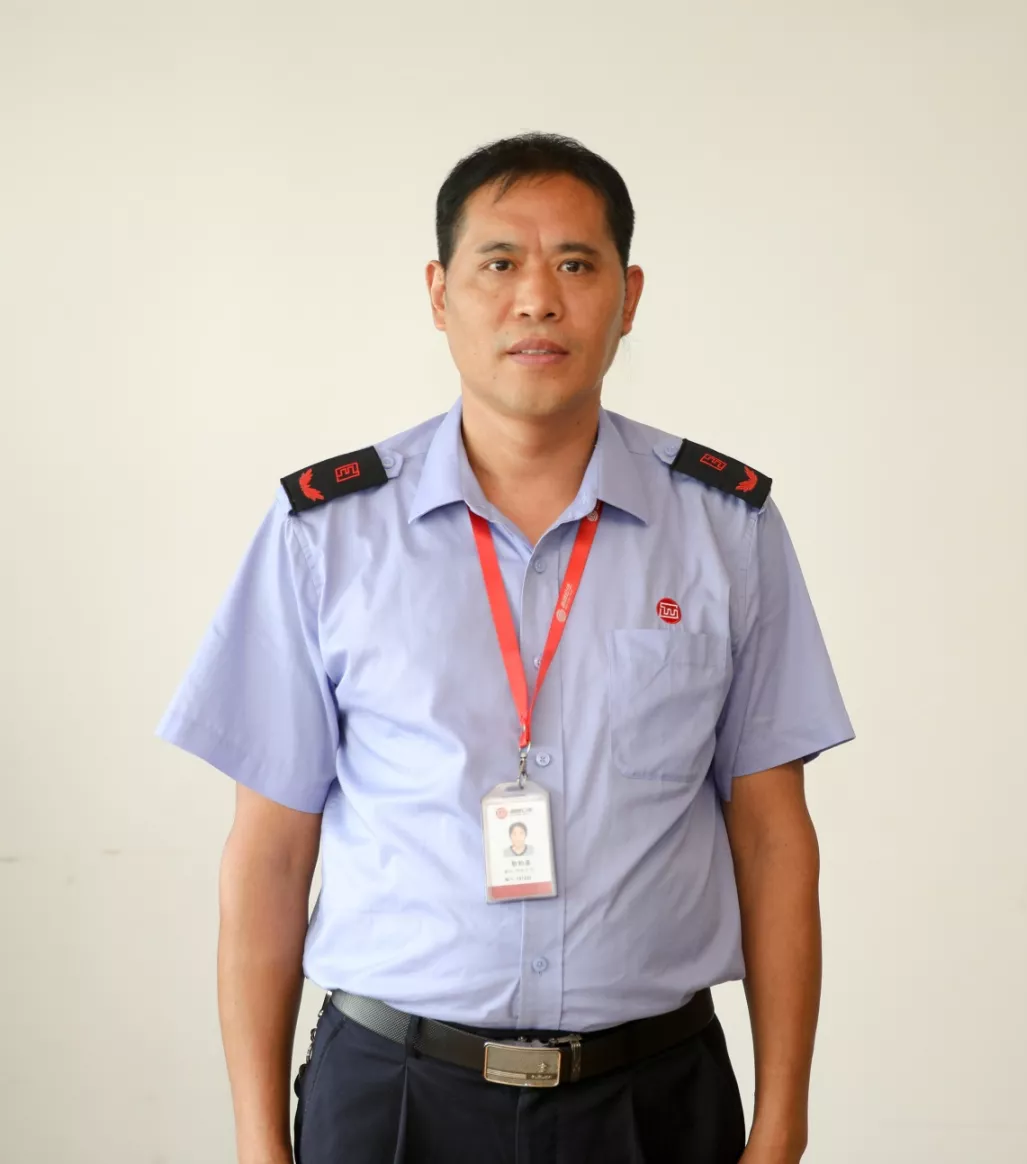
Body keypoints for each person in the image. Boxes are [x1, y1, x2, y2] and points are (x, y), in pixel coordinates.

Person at [157, 132, 854, 1164]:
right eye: (499, 263)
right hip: (394, 1098)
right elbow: (269, 852)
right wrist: (261, 1144)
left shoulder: (725, 529)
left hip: (651, 1100)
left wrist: (781, 1126)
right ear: (440, 294)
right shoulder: (326, 536)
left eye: (576, 264)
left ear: (629, 296)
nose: (538, 300)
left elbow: (773, 838)